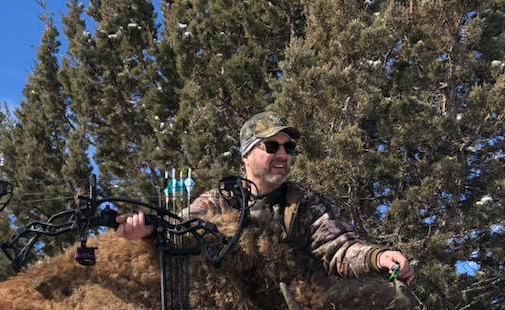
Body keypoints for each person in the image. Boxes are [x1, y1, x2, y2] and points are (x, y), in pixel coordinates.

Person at [115, 111, 415, 284]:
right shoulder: (217, 202)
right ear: (246, 155)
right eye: (271, 147)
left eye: (288, 147)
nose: (282, 154)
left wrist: (377, 257)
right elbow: (178, 228)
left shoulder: (307, 204)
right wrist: (146, 231)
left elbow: (339, 250)